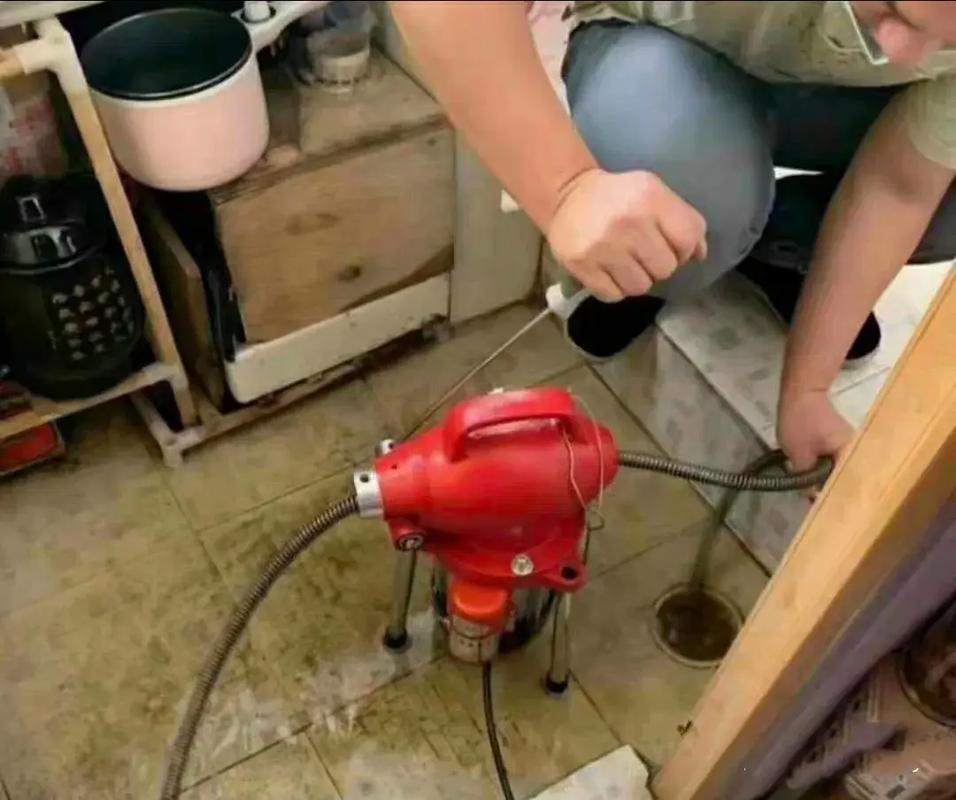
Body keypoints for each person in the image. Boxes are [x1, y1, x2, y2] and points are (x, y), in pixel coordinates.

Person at [390, 0, 956, 471]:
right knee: (694, 187)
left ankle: (775, 253)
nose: (905, 53)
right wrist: (566, 190)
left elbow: (899, 187)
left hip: (822, 87)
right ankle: (660, 261)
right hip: (662, 37)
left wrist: (807, 393)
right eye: (895, 9)